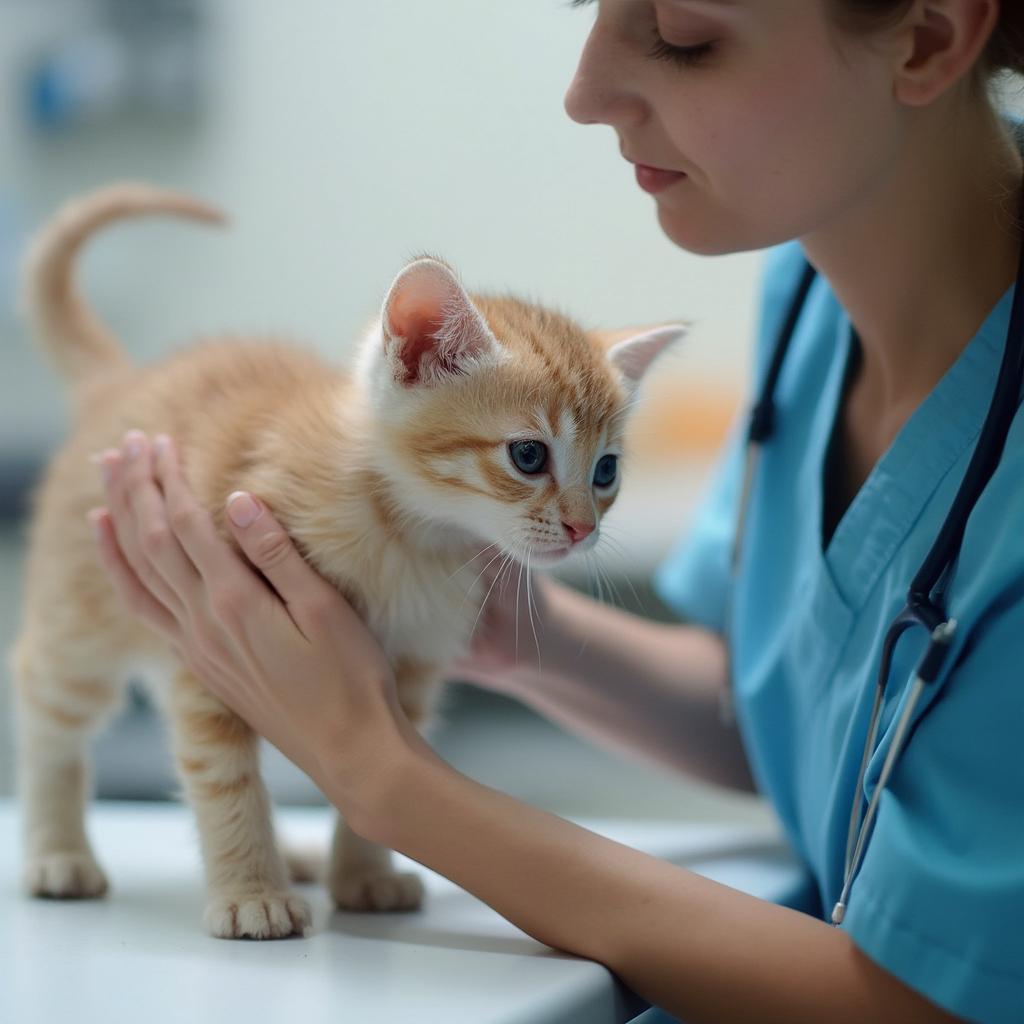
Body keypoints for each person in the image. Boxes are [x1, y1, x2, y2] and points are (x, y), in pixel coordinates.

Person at [88, 1, 1024, 1020]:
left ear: (928, 39)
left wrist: (381, 774)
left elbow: (918, 1003)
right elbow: (807, 706)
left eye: (679, 34)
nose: (583, 93)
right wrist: (520, 636)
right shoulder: (808, 290)